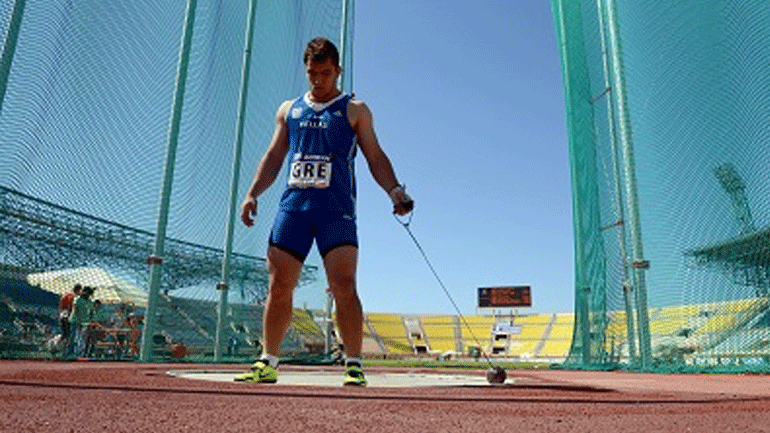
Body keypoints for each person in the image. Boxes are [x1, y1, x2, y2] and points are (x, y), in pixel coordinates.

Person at [235, 37, 413, 386]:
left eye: (326, 73)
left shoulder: (355, 110)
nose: (318, 80)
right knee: (279, 284)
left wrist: (394, 191)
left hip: (336, 211)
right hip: (294, 209)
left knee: (344, 284)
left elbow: (375, 156)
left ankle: (354, 364)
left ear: (338, 71)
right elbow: (274, 157)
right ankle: (268, 361)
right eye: (312, 73)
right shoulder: (289, 110)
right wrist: (252, 193)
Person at [69, 286, 95, 358]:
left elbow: (92, 312)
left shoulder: (89, 302)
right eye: (88, 294)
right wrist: (78, 320)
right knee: (73, 337)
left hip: (84, 323)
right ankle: (70, 353)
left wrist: (92, 320)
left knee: (82, 338)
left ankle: (80, 353)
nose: (89, 296)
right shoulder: (78, 299)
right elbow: (75, 310)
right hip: (75, 321)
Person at [59, 284, 82, 357]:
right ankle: (66, 352)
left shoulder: (66, 294)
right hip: (68, 317)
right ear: (78, 290)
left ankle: (58, 347)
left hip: (62, 315)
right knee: (69, 335)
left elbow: (61, 306)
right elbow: (71, 307)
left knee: (65, 334)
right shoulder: (72, 296)